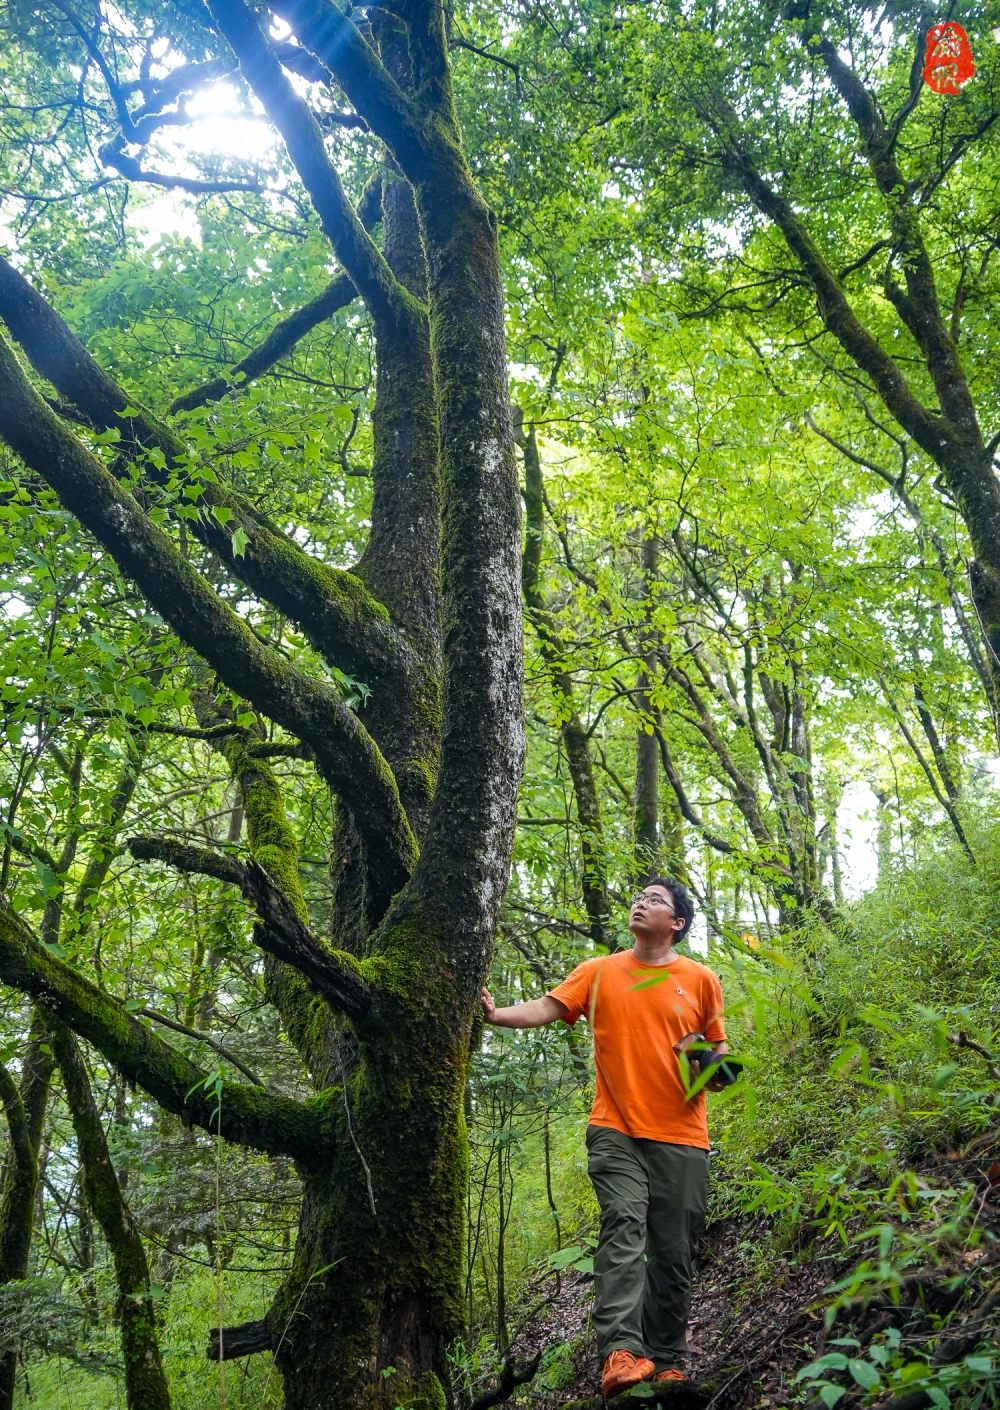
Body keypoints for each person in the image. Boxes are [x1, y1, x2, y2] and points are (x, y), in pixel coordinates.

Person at [481, 878, 727, 1399]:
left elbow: (715, 1055)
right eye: (639, 896)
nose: (641, 902)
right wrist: (496, 1014)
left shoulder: (701, 980)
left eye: (655, 900)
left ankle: (668, 1360)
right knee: (623, 1225)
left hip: (682, 1134)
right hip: (615, 1128)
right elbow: (548, 1008)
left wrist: (712, 1065)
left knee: (674, 1249)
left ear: (677, 923)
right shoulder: (600, 971)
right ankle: (620, 1352)